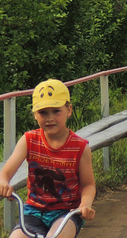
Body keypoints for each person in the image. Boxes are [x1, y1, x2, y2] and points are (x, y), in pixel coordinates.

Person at [0, 79, 96, 238]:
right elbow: (5, 173)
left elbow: (88, 185)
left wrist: (85, 205)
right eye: (43, 112)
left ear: (69, 110)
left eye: (56, 111)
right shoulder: (28, 140)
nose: (50, 118)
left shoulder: (80, 147)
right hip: (33, 212)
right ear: (35, 115)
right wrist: (3, 182)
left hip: (66, 213)